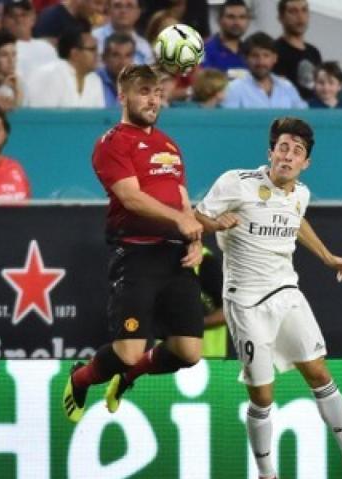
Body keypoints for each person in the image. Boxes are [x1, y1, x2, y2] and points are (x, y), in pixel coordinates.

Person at [193, 117, 342, 479]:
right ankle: (267, 476)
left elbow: (296, 221)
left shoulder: (301, 193)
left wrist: (327, 255)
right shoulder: (237, 182)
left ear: (305, 163)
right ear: (270, 152)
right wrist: (216, 222)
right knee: (262, 396)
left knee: (319, 372)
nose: (288, 155)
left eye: (297, 151)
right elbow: (195, 218)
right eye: (283, 147)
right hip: (245, 301)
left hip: (286, 292)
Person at [64, 63, 205, 424]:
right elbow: (132, 198)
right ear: (122, 95)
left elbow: (181, 197)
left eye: (157, 92)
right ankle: (80, 377)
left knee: (189, 352)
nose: (153, 99)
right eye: (144, 91)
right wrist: (180, 220)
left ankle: (129, 377)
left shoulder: (169, 144)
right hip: (137, 253)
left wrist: (194, 236)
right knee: (128, 350)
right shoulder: (112, 142)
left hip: (175, 255)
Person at [223, 32, 306, 109]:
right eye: (255, 56)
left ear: (274, 58)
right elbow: (229, 122)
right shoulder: (234, 88)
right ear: (245, 59)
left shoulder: (287, 87)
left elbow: (304, 116)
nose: (261, 62)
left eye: (266, 55)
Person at [24, 28, 103, 108]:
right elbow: (41, 117)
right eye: (92, 49)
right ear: (75, 54)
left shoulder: (95, 79)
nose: (98, 54)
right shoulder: (51, 75)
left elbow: (97, 117)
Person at [273, 0, 321, 101]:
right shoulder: (273, 51)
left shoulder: (314, 52)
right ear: (280, 18)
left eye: (304, 10)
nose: (300, 17)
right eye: (293, 11)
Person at [3, 0, 59, 78]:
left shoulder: (47, 48)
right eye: (13, 16)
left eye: (24, 15)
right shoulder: (2, 52)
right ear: (4, 21)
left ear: (33, 18)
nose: (19, 20)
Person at [93, 0, 153, 64]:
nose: (123, 11)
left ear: (138, 12)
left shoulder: (145, 47)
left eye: (129, 6)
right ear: (108, 10)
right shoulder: (94, 38)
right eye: (117, 6)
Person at [203, 0, 249, 77]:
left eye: (242, 17)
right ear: (219, 20)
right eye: (231, 17)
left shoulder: (250, 52)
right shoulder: (205, 51)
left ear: (248, 21)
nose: (237, 22)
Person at [96, 32, 135, 107]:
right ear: (104, 57)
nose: (122, 61)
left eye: (128, 55)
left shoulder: (139, 83)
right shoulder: (94, 80)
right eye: (116, 55)